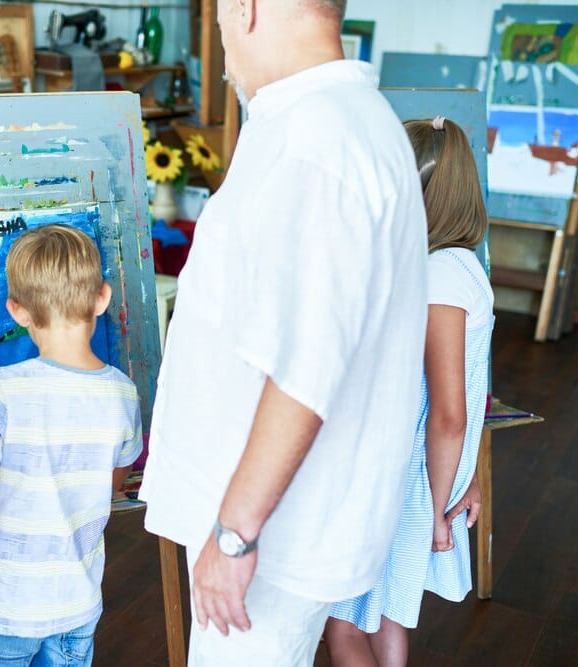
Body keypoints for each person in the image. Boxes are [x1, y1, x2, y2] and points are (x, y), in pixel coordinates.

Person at [138, 0, 430, 663]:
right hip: (274, 514)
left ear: (244, 9)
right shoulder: (336, 122)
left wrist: (235, 533)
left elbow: (307, 369)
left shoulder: (316, 142)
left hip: (271, 533)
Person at [326, 116, 494, 666]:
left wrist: (440, 510)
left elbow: (449, 413)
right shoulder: (460, 266)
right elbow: (470, 387)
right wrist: (462, 482)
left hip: (406, 481)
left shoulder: (439, 277)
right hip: (423, 479)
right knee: (383, 615)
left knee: (344, 621)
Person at [0, 224, 143, 667]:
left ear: (17, 311)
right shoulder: (122, 392)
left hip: (5, 608)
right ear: (101, 298)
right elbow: (113, 486)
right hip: (76, 604)